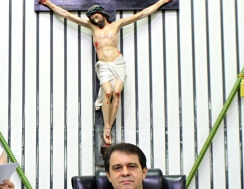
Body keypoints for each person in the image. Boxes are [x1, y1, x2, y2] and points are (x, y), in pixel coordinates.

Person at [38, 0, 171, 144]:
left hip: (118, 63)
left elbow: (142, 13)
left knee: (117, 92)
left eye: (96, 17)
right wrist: (48, 3)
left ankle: (108, 126)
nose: (95, 20)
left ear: (102, 14)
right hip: (104, 65)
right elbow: (67, 15)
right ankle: (107, 127)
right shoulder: (91, 27)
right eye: (93, 18)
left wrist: (162, 2)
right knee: (108, 92)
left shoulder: (116, 25)